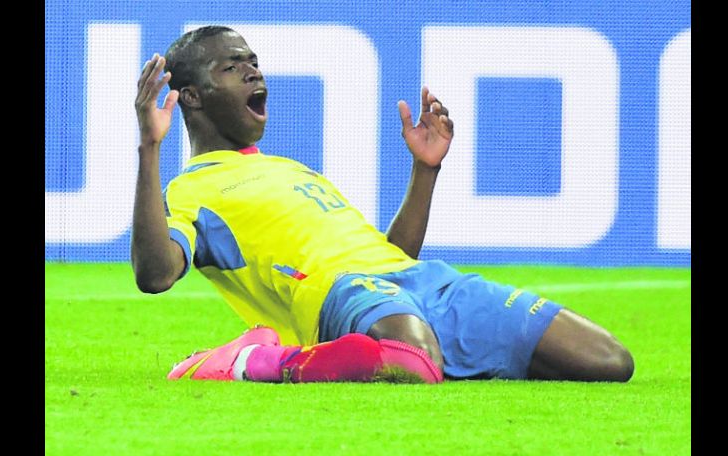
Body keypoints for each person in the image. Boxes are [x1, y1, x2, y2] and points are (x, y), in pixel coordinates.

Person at [133, 26, 634, 384]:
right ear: (192, 98)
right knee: (411, 358)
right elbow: (155, 274)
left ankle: (393, 352)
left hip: (423, 283)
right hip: (338, 293)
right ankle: (251, 362)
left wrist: (425, 171)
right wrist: (150, 149)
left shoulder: (294, 169)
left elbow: (392, 255)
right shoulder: (191, 190)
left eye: (253, 62)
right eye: (232, 67)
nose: (252, 72)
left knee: (609, 361)